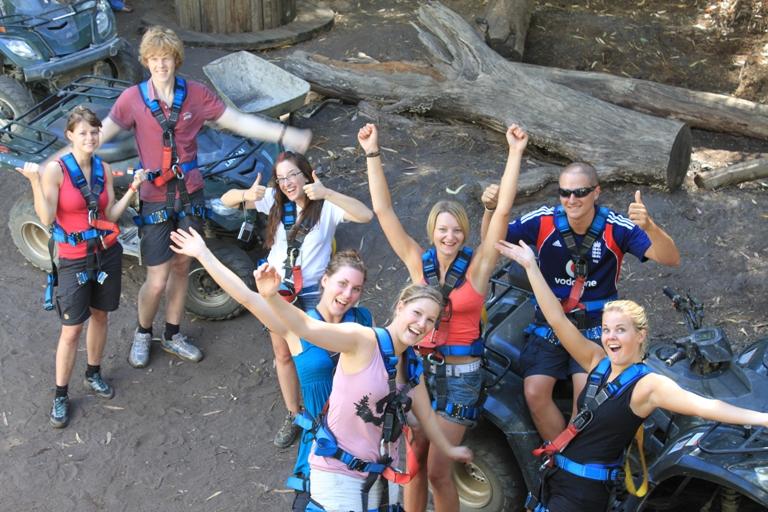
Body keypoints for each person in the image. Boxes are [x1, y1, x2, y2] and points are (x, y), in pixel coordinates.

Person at [45, 26, 312, 370]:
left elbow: (237, 121)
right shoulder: (133, 101)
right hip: (155, 198)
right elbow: (101, 134)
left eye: (166, 58)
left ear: (176, 59)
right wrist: (49, 165)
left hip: (189, 195)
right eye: (154, 59)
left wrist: (285, 133)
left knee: (183, 266)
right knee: (156, 280)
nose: (160, 65)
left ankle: (172, 334)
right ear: (145, 62)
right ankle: (144, 332)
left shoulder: (196, 95)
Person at [495, 239, 768, 512]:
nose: (610, 337)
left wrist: (763, 419)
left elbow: (707, 406)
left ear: (640, 335)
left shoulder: (647, 386)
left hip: (583, 493)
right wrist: (531, 266)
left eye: (620, 330)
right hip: (558, 477)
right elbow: (557, 319)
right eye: (606, 330)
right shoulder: (597, 360)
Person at [359, 122, 527, 511]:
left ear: (465, 234)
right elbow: (383, 211)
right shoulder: (419, 263)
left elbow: (501, 211)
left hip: (462, 379)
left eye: (456, 231)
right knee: (413, 463)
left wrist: (515, 153)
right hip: (421, 374)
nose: (449, 237)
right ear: (432, 232)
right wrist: (372, 152)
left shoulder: (478, 268)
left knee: (438, 470)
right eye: (442, 230)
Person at [169, 227, 373, 511]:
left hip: (362, 445)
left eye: (356, 289)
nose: (347, 294)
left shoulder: (363, 321)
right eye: (342, 284)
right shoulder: (296, 326)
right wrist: (204, 253)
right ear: (324, 280)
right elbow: (246, 297)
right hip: (322, 451)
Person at [480, 164, 680, 443]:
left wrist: (649, 227)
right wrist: (491, 210)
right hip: (549, 325)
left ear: (596, 192)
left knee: (586, 398)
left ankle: (578, 455)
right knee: (534, 392)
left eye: (580, 192)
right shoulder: (544, 221)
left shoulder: (615, 227)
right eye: (565, 193)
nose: (572, 200)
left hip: (595, 328)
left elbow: (670, 258)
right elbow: (492, 241)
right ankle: (560, 454)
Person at [255, 264, 474, 512]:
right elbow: (307, 327)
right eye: (417, 313)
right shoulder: (362, 340)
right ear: (400, 306)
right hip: (339, 473)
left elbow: (426, 417)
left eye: (430, 320)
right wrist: (271, 296)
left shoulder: (412, 364)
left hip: (381, 476)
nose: (421, 323)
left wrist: (449, 449)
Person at [219, 151, 373, 448]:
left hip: (317, 292)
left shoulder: (325, 207)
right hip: (281, 291)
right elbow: (225, 200)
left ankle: (337, 409)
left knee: (328, 352)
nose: (288, 183)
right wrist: (246, 193)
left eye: (293, 175)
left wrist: (326, 191)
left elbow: (365, 214)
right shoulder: (274, 202)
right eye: (281, 178)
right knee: (283, 353)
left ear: (306, 174)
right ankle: (294, 414)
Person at [16, 106, 146, 428]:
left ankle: (93, 372)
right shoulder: (56, 171)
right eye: (83, 132)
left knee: (101, 315)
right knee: (72, 329)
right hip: (74, 258)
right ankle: (60, 394)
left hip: (105, 253)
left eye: (95, 131)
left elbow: (111, 216)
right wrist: (34, 180)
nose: (90, 137)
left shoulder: (102, 167)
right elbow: (46, 218)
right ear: (70, 135)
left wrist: (132, 190)